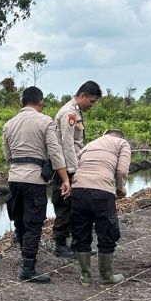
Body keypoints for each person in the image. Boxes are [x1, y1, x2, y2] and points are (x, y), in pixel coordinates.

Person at [2, 86, 69, 283]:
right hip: (34, 180)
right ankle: (28, 269)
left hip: (14, 178)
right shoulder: (45, 121)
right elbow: (55, 153)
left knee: (20, 221)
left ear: (21, 103)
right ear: (40, 102)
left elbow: (8, 156)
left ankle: (26, 258)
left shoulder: (9, 124)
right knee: (34, 223)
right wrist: (65, 179)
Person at [69, 129, 133, 286]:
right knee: (107, 233)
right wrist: (120, 189)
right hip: (102, 192)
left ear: (105, 135)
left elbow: (76, 164)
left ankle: (86, 277)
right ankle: (106, 277)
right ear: (119, 136)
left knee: (81, 233)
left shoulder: (89, 145)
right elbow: (122, 170)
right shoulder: (122, 143)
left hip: (78, 191)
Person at [51, 81, 103, 258]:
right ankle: (60, 244)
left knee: (76, 206)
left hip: (72, 165)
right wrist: (73, 172)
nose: (92, 105)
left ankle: (76, 244)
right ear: (82, 96)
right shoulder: (69, 113)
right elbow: (66, 145)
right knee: (65, 205)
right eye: (91, 101)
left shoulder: (76, 111)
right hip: (65, 168)